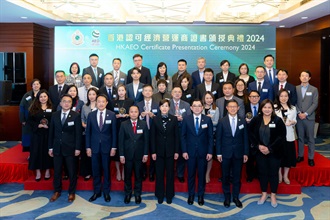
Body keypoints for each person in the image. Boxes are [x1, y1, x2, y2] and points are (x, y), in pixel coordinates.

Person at [249, 99, 286, 208]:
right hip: (260, 152)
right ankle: (264, 193)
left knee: (273, 174)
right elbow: (251, 134)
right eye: (265, 107)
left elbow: (281, 137)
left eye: (269, 107)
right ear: (261, 108)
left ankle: (273, 195)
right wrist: (258, 146)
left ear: (272, 109)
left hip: (274, 152)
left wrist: (270, 148)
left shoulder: (278, 120)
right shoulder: (256, 120)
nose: (267, 109)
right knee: (262, 173)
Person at [48, 94, 82, 203]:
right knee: (57, 171)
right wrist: (50, 147)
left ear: (72, 104)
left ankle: (71, 192)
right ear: (60, 103)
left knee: (72, 172)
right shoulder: (54, 115)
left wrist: (77, 148)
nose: (66, 103)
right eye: (64, 101)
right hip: (57, 147)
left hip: (70, 148)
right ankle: (57, 191)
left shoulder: (76, 116)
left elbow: (78, 134)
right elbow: (51, 133)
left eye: (69, 101)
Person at [216, 99, 248, 208]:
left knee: (237, 177)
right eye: (231, 107)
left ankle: (235, 197)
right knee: (225, 176)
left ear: (238, 108)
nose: (233, 108)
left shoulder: (242, 121)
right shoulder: (222, 121)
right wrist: (218, 153)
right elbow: (218, 138)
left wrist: (245, 153)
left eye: (235, 106)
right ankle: (227, 197)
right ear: (227, 108)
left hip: (238, 154)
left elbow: (245, 139)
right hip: (225, 153)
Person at [85, 94, 117, 203]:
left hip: (107, 148)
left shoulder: (112, 115)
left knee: (106, 170)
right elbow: (88, 133)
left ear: (107, 103)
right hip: (94, 148)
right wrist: (88, 147)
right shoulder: (91, 115)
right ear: (96, 103)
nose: (101, 103)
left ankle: (106, 192)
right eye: (99, 101)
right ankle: (97, 191)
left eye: (103, 101)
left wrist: (113, 147)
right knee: (95, 170)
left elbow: (114, 133)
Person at [181, 99, 213, 206]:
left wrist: (210, 152)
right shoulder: (186, 119)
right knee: (190, 175)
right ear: (191, 108)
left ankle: (200, 195)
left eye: (199, 106)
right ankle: (191, 195)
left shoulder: (207, 120)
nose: (197, 108)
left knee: (201, 175)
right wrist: (184, 151)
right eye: (195, 106)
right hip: (189, 153)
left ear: (202, 107)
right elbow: (183, 136)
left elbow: (210, 137)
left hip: (203, 153)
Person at [151, 99, 179, 204]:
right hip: (158, 152)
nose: (164, 108)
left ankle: (169, 195)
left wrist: (176, 151)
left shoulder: (174, 119)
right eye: (162, 106)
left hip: (171, 151)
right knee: (159, 174)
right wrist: (153, 152)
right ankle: (159, 194)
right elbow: (152, 137)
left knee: (170, 174)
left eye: (166, 106)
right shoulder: (155, 119)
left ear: (169, 107)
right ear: (159, 108)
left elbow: (177, 136)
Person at [119, 106, 149, 204]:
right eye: (131, 112)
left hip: (139, 155)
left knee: (138, 176)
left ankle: (137, 194)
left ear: (138, 113)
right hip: (127, 155)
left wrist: (145, 154)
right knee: (127, 176)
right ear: (128, 113)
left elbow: (146, 141)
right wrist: (121, 155)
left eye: (135, 111)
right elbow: (121, 141)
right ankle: (128, 194)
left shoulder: (143, 124)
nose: (133, 113)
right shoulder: (124, 124)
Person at [28, 89, 53, 181]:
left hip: (48, 133)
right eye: (41, 96)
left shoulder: (52, 107)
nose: (43, 98)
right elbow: (29, 121)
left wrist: (49, 125)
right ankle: (38, 172)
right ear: (38, 98)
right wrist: (37, 125)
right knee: (36, 152)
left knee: (47, 152)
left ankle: (47, 170)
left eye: (45, 96)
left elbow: (54, 120)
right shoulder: (33, 108)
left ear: (48, 97)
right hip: (37, 134)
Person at [296, 70, 319, 167]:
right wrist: (298, 112)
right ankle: (301, 155)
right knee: (300, 138)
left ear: (309, 78)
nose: (304, 77)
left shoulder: (314, 89)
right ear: (300, 77)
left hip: (309, 118)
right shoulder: (296, 88)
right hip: (298, 117)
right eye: (302, 76)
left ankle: (310, 158)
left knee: (310, 138)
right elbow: (294, 101)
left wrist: (305, 113)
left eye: (306, 76)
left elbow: (315, 103)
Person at [169, 87, 192, 183]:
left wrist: (182, 119)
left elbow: (190, 117)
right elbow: (163, 115)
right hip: (170, 132)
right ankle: (170, 173)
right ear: (171, 93)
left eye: (179, 92)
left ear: (181, 94)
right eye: (175, 92)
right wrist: (173, 118)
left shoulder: (186, 104)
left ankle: (180, 173)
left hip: (183, 131)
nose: (177, 94)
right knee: (170, 152)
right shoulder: (167, 104)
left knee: (181, 152)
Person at [137, 84, 159, 181]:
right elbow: (134, 118)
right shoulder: (138, 104)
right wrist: (141, 116)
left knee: (153, 152)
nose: (147, 92)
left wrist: (153, 117)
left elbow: (160, 119)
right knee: (142, 152)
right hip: (141, 133)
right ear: (142, 92)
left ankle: (151, 172)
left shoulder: (157, 104)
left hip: (154, 132)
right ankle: (143, 172)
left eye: (149, 90)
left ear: (152, 92)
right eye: (145, 90)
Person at [274, 89, 297, 184]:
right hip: (278, 136)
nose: (283, 98)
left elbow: (295, 120)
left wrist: (292, 122)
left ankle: (285, 176)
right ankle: (279, 175)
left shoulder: (293, 108)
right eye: (281, 96)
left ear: (288, 97)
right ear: (278, 97)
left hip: (289, 135)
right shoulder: (274, 107)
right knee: (279, 156)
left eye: (285, 96)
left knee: (288, 157)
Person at [112, 85, 134, 181]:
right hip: (116, 127)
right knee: (117, 148)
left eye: (122, 90)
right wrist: (115, 116)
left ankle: (124, 170)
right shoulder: (113, 102)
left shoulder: (130, 101)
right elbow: (110, 114)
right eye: (119, 90)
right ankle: (118, 170)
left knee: (126, 148)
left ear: (125, 91)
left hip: (127, 126)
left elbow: (134, 113)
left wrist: (128, 115)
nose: (121, 92)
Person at [80, 87, 99, 181]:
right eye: (89, 94)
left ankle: (96, 172)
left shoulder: (100, 105)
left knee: (96, 154)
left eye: (93, 94)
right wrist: (83, 124)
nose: (91, 96)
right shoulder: (84, 106)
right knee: (86, 154)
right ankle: (87, 172)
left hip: (97, 135)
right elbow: (82, 119)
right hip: (86, 133)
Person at [202, 92, 219, 183]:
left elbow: (217, 122)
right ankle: (202, 172)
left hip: (212, 134)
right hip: (201, 135)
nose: (209, 100)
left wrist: (209, 120)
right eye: (207, 98)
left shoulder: (216, 109)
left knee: (210, 154)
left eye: (210, 98)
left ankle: (207, 173)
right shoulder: (200, 108)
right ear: (204, 99)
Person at [19, 78, 41, 152]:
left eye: (37, 84)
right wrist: (22, 120)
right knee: (28, 138)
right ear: (32, 86)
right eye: (34, 84)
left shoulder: (43, 94)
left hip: (39, 120)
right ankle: (30, 154)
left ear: (40, 85)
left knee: (38, 138)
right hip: (28, 120)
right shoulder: (27, 95)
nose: (36, 86)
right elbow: (22, 107)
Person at [245, 90, 261, 182]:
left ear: (259, 98)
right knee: (250, 156)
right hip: (248, 134)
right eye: (252, 96)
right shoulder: (245, 107)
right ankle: (250, 175)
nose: (254, 98)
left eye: (256, 97)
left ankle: (258, 174)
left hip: (260, 135)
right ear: (249, 98)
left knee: (259, 156)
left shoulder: (263, 107)